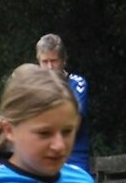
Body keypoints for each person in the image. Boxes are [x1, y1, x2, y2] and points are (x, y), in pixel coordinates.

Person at [36, 33, 91, 173]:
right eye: (45, 62)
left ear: (64, 60)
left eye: (53, 61)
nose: (49, 67)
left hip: (73, 161)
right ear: (38, 62)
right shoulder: (33, 89)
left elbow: (73, 123)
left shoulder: (76, 84)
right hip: (42, 160)